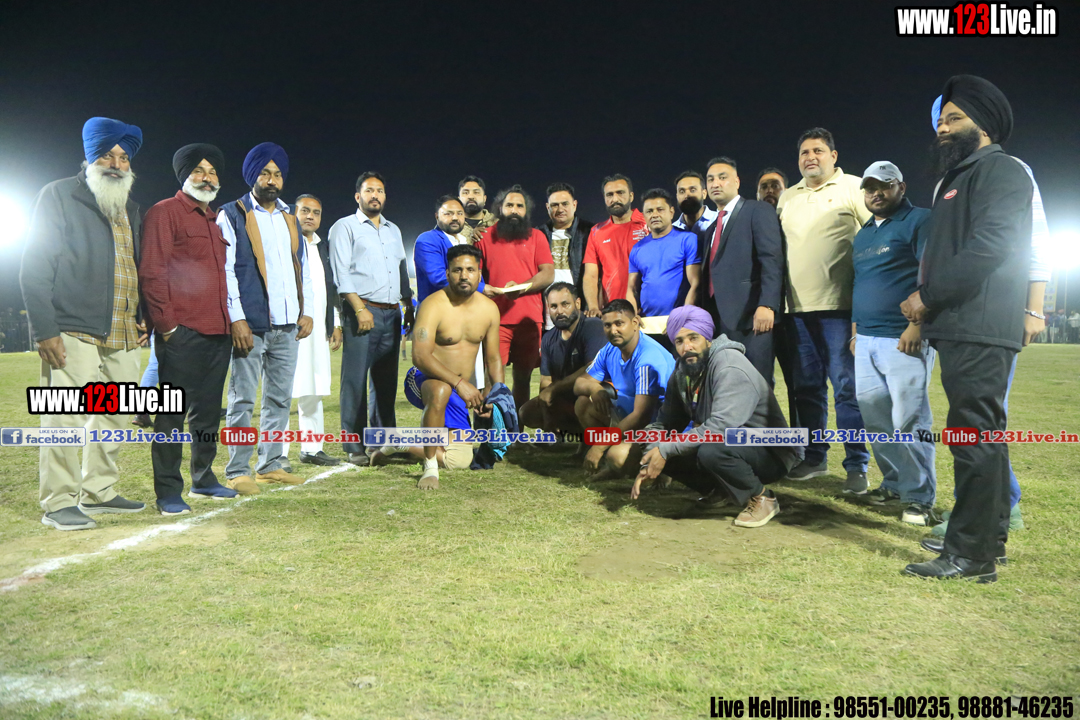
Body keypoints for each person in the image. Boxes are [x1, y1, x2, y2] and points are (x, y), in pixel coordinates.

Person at [900, 75, 1032, 583]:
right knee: (982, 436)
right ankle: (985, 537)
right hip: (963, 325)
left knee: (972, 436)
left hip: (979, 325)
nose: (943, 129)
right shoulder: (963, 175)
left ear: (986, 125)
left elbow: (990, 246)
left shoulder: (1000, 170)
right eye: (941, 120)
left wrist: (928, 297)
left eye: (954, 119)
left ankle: (970, 555)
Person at [21, 117, 148, 530]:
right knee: (65, 417)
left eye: (124, 157)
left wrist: (143, 313)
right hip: (73, 327)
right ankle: (58, 502)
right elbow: (35, 266)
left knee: (114, 416)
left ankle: (99, 491)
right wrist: (45, 330)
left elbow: (135, 267)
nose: (116, 164)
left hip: (123, 330)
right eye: (107, 155)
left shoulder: (130, 208)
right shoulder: (60, 195)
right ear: (90, 158)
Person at [139, 144, 239, 515]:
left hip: (218, 332)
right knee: (171, 416)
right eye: (198, 170)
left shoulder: (214, 220)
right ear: (184, 175)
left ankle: (204, 478)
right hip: (181, 333)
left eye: (212, 171)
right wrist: (167, 327)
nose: (207, 177)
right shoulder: (164, 212)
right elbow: (153, 271)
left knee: (207, 415)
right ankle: (168, 491)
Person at [633, 306, 799, 527]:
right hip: (731, 443)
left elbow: (719, 428)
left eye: (693, 338)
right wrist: (650, 455)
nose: (687, 347)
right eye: (679, 341)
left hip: (771, 449)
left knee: (712, 449)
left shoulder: (729, 365)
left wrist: (665, 450)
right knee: (656, 441)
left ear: (708, 339)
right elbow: (665, 423)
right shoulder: (682, 371)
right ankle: (720, 491)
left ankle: (762, 498)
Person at [776, 128, 872, 493]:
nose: (810, 157)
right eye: (804, 152)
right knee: (807, 389)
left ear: (834, 155)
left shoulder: (854, 187)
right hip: (797, 311)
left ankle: (857, 465)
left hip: (840, 309)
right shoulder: (788, 197)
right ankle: (815, 457)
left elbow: (874, 236)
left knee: (846, 389)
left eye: (818, 150)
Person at [218, 142, 314, 490]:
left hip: (287, 326)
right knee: (242, 399)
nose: (272, 180)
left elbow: (301, 267)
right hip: (252, 324)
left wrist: (306, 310)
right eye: (264, 173)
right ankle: (237, 470)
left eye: (277, 174)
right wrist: (237, 318)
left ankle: (271, 463)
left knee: (279, 399)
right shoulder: (232, 214)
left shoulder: (290, 218)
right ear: (252, 176)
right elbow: (226, 270)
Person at [849, 161, 937, 526]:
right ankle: (894, 483)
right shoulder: (864, 233)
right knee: (876, 420)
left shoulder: (920, 220)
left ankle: (920, 498)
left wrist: (917, 326)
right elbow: (861, 282)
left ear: (901, 186)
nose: (875, 193)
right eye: (869, 187)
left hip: (902, 337)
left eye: (883, 186)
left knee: (910, 420)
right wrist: (855, 331)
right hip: (866, 338)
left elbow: (931, 276)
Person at [395, 245, 504, 488]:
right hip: (424, 380)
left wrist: (497, 395)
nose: (464, 276)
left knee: (460, 460)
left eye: (470, 270)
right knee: (441, 390)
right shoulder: (433, 305)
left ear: (479, 273)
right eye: (457, 270)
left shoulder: (489, 309)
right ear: (447, 273)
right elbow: (420, 356)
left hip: (459, 391)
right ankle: (430, 466)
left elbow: (494, 359)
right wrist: (460, 383)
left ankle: (399, 441)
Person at [329, 172, 413, 466]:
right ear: (358, 196)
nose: (375, 195)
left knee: (385, 383)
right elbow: (340, 273)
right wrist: (358, 308)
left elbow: (401, 269)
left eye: (380, 190)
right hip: (362, 312)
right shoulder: (344, 227)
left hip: (391, 313)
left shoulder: (393, 230)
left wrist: (408, 305)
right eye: (369, 190)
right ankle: (354, 445)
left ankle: (383, 443)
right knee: (354, 382)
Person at [699, 157, 784, 384]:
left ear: (736, 182)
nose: (716, 183)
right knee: (729, 385)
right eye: (710, 179)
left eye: (722, 177)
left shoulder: (757, 210)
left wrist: (767, 304)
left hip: (752, 317)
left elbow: (771, 259)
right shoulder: (710, 229)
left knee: (757, 384)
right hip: (719, 321)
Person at [573, 299, 675, 479]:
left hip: (660, 427)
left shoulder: (647, 358)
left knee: (617, 457)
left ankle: (661, 471)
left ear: (635, 323)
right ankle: (618, 462)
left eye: (619, 323)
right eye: (607, 325)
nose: (613, 330)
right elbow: (579, 384)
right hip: (631, 417)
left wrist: (599, 446)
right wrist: (594, 389)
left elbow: (641, 416)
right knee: (583, 403)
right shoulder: (610, 349)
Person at [475, 185, 555, 409]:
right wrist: (483, 289)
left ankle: (516, 429)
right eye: (509, 205)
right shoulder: (484, 237)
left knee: (523, 380)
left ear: (526, 210)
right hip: (495, 320)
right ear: (500, 208)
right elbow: (474, 275)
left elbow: (548, 273)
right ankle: (490, 430)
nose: (514, 210)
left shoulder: (537, 236)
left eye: (520, 206)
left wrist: (521, 288)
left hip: (529, 321)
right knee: (492, 380)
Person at [283, 194, 343, 467]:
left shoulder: (322, 247)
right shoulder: (284, 242)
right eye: (305, 210)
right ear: (293, 213)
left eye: (316, 212)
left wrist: (335, 323)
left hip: (317, 331)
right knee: (282, 391)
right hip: (288, 329)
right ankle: (277, 454)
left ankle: (312, 448)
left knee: (314, 388)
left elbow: (328, 289)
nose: (310, 216)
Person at [519, 282, 607, 436]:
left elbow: (592, 368)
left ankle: (595, 436)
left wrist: (554, 389)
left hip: (596, 396)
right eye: (553, 306)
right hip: (566, 398)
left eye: (565, 304)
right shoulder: (548, 338)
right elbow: (545, 381)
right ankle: (566, 434)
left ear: (577, 303)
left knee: (584, 402)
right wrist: (547, 417)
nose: (559, 311)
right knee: (527, 412)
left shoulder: (593, 326)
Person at [626, 188, 701, 351]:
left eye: (660, 209)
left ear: (671, 212)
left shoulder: (688, 239)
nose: (654, 215)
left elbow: (695, 283)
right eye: (649, 211)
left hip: (680, 324)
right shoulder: (637, 249)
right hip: (647, 325)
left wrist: (682, 318)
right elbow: (631, 288)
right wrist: (632, 316)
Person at [582, 175, 647, 316]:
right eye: (610, 195)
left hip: (647, 308)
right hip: (611, 310)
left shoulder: (647, 224)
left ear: (631, 196)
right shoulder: (596, 232)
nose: (615, 199)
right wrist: (593, 306)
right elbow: (591, 275)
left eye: (620, 193)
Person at [537, 182, 595, 319]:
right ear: (547, 207)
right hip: (547, 310)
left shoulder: (590, 232)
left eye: (565, 204)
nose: (560, 209)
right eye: (555, 205)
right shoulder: (538, 234)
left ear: (574, 205)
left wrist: (592, 305)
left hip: (581, 307)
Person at [458, 175, 497, 244]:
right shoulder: (450, 223)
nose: (471, 196)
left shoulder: (497, 223)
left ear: (484, 199)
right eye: (466, 193)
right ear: (458, 199)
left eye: (476, 192)